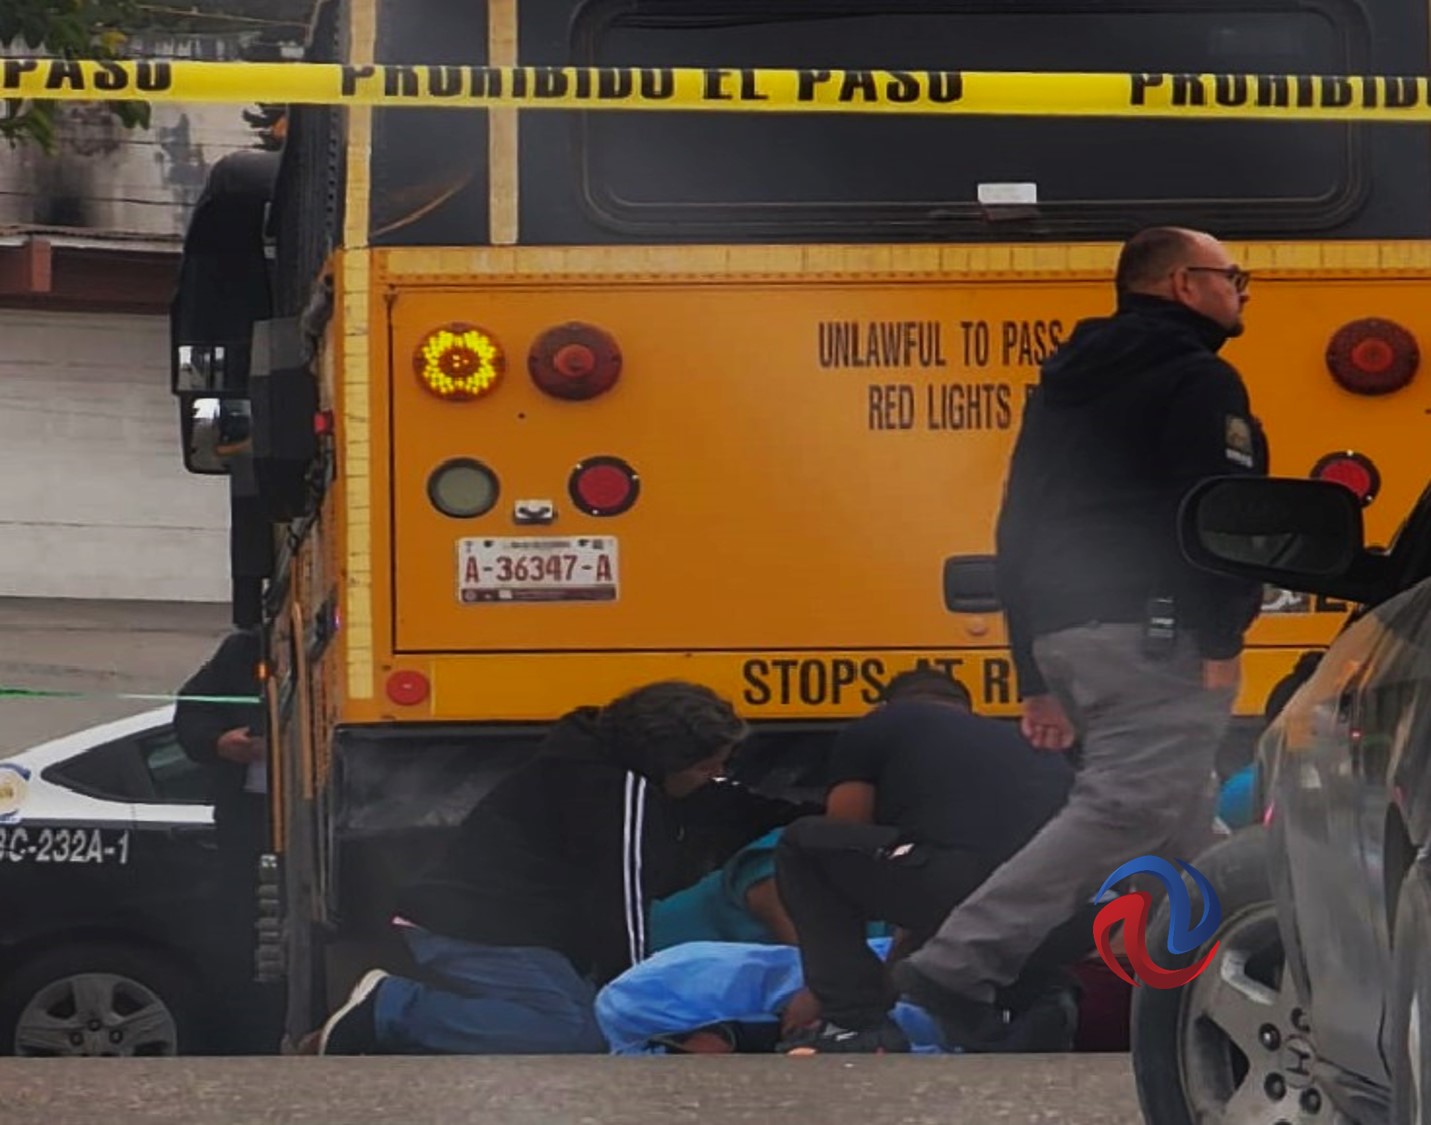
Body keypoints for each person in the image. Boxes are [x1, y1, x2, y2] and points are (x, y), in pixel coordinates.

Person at [890, 226, 1269, 1049]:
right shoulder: (1197, 377)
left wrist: (1032, 667)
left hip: (1068, 630)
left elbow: (1016, 522)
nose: (1239, 289)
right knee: (1124, 804)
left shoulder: (1064, 386)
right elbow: (1212, 510)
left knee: (1184, 821)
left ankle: (1254, 973)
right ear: (1181, 284)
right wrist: (1219, 631)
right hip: (1155, 632)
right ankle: (956, 962)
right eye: (1229, 274)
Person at [305, 680, 801, 1056]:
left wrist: (813, 818)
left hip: (508, 927)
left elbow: (729, 804)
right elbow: (622, 904)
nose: (716, 777)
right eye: (706, 767)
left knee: (577, 1022)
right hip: (478, 927)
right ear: (666, 760)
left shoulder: (609, 766)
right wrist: (638, 998)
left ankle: (418, 1018)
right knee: (576, 1033)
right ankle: (392, 1008)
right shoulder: (617, 794)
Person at [772, 669, 1088, 1054]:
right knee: (986, 877)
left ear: (885, 706)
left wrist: (829, 986)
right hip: (1076, 917)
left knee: (806, 845)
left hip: (968, 889)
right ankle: (1042, 1001)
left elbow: (847, 840)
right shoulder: (1024, 741)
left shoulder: (878, 725)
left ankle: (853, 1024)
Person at [173, 626, 282, 1053]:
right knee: (243, 936)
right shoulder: (247, 649)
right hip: (249, 821)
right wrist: (218, 742)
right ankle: (244, 1039)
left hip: (326, 820)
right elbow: (193, 710)